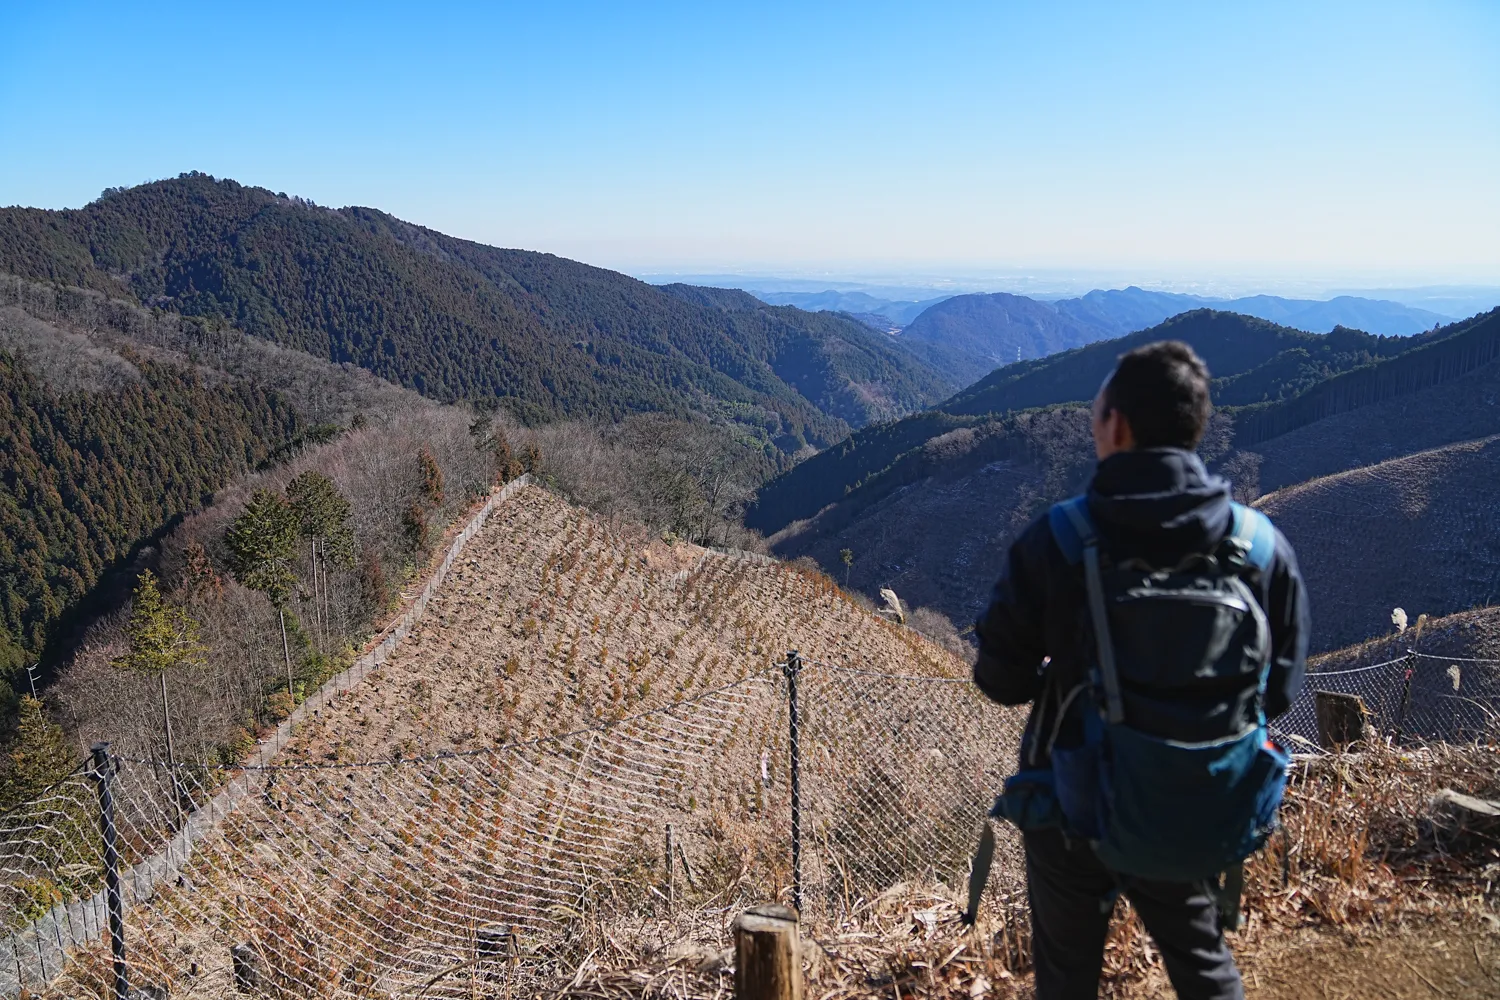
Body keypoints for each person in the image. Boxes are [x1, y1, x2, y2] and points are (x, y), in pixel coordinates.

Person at [973, 340, 1310, 1000]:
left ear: (1117, 426)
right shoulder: (1261, 549)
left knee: (1067, 978)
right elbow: (1278, 692)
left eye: (1096, 415)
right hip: (1199, 802)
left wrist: (1068, 681)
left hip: (1075, 809)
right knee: (1201, 960)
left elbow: (998, 680)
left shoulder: (1060, 540)